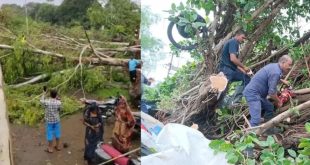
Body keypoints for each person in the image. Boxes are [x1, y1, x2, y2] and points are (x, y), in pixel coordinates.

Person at [243, 55, 293, 128]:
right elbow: (272, 93)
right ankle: (250, 135)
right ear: (283, 62)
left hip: (258, 94)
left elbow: (270, 77)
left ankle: (266, 127)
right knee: (256, 119)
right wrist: (279, 101)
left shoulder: (274, 67)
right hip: (253, 94)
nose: (290, 67)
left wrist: (282, 81)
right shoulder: (276, 72)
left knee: (269, 107)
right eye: (289, 65)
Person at [218, 30, 251, 106]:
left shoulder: (233, 43)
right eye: (242, 38)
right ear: (237, 35)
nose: (243, 40)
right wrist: (244, 67)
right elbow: (233, 59)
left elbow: (233, 63)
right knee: (222, 91)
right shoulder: (233, 42)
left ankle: (236, 101)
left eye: (244, 39)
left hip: (230, 69)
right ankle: (233, 102)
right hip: (226, 70)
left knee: (246, 78)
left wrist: (243, 70)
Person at [40, 88, 62, 153]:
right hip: (57, 120)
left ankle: (50, 148)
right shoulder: (59, 102)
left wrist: (44, 93)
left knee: (49, 134)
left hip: (49, 121)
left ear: (50, 94)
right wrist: (58, 99)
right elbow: (59, 109)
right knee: (57, 133)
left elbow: (41, 100)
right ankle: (57, 146)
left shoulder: (47, 102)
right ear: (56, 95)